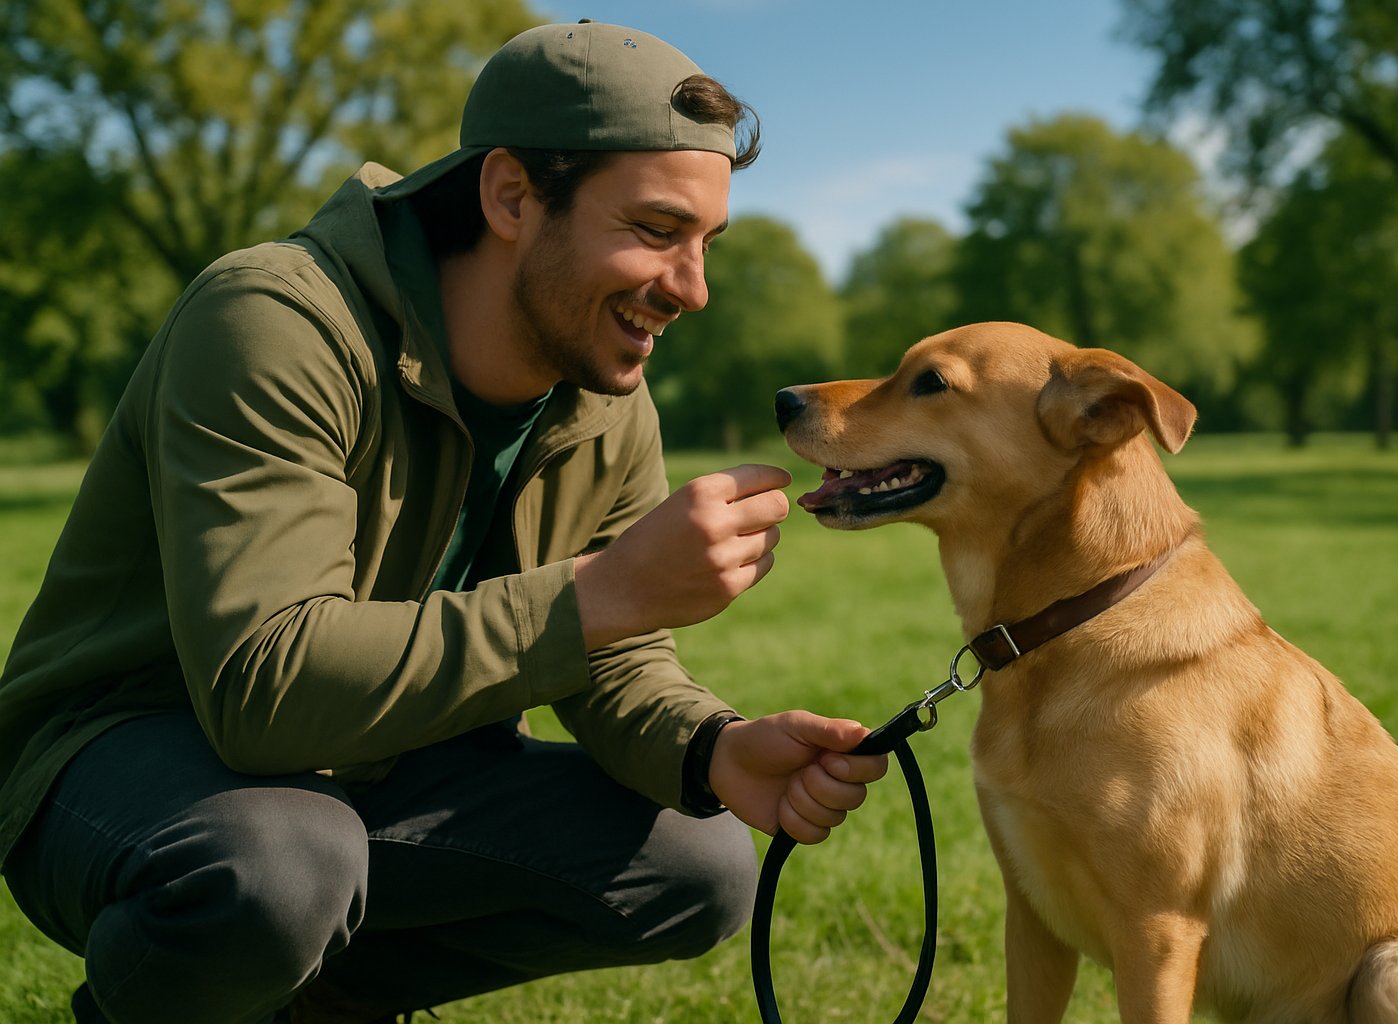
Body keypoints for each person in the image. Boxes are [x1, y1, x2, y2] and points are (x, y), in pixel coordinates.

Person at [0, 21, 889, 1024]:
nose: (692, 288)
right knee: (283, 865)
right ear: (512, 194)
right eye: (653, 229)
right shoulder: (274, 320)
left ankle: (308, 1005)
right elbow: (264, 690)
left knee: (698, 859)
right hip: (126, 757)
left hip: (368, 772)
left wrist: (710, 745)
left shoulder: (604, 397)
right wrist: (610, 587)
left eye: (704, 244)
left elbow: (610, 657)